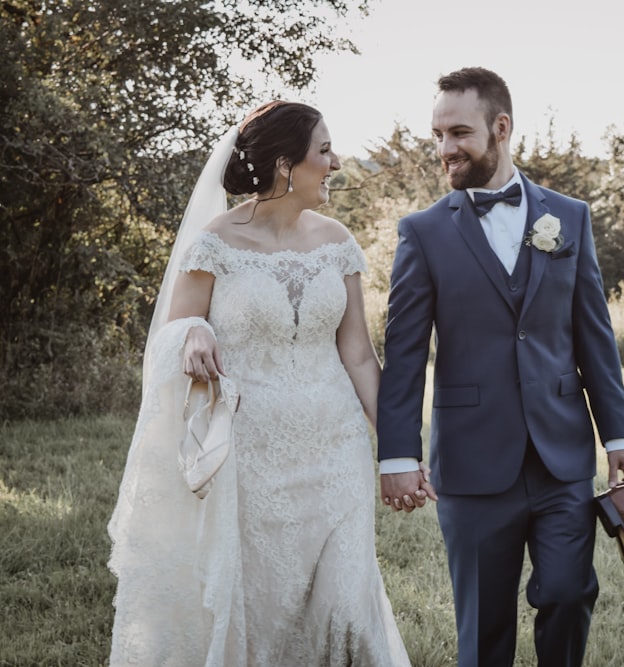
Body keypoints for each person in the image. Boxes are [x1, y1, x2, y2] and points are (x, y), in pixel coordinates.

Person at [107, 101, 411, 666]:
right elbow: (172, 336)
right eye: (323, 151)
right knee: (261, 605)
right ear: (283, 165)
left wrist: (399, 450)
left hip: (335, 448)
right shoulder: (215, 242)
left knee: (347, 602)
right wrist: (194, 331)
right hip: (251, 455)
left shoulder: (337, 241)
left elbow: (360, 356)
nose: (336, 162)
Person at [376, 67, 624, 667]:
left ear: (501, 128)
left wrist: (617, 435)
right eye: (438, 135)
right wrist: (397, 455)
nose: (445, 149)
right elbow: (406, 354)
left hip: (562, 455)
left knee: (571, 594)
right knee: (484, 628)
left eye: (459, 133)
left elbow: (594, 337)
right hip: (470, 462)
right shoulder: (422, 233)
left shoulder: (568, 218)